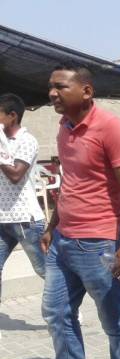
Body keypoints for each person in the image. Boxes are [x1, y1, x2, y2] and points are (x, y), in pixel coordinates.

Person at [27, 64, 120, 359]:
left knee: (116, 321)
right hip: (63, 242)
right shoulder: (63, 127)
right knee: (57, 313)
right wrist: (52, 226)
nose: (52, 93)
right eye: (50, 86)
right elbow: (71, 182)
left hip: (101, 245)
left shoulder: (110, 127)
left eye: (60, 86)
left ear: (86, 91)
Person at [0, 93, 47, 340]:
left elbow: (16, 175)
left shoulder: (27, 141)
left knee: (45, 269)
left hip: (25, 220)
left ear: (12, 116)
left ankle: (65, 309)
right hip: (1, 219)